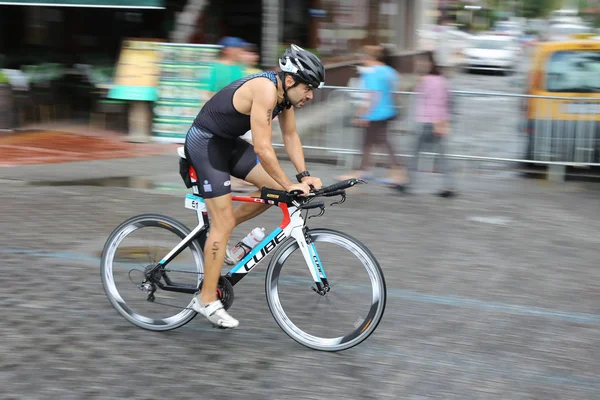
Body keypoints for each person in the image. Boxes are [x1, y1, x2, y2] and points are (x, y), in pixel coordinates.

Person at [184, 44, 326, 328]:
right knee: (224, 221)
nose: (310, 95)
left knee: (277, 193)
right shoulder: (265, 89)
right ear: (290, 80)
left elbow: (290, 135)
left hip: (228, 144)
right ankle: (206, 299)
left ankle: (219, 236)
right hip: (206, 143)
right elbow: (263, 147)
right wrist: (290, 182)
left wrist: (303, 175)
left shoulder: (285, 97)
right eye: (308, 88)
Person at [338, 45, 408, 190]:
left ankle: (396, 173)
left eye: (364, 57)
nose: (362, 60)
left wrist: (361, 114)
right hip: (388, 112)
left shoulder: (372, 73)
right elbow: (394, 93)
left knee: (378, 143)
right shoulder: (390, 71)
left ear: (371, 58)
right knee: (372, 143)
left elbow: (372, 96)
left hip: (376, 114)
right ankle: (366, 171)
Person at [408, 51, 456, 198]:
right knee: (441, 156)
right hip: (438, 122)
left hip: (426, 122)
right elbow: (446, 102)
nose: (418, 65)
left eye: (420, 62)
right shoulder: (442, 80)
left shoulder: (426, 80)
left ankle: (408, 184)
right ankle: (448, 186)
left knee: (414, 154)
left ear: (428, 63)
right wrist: (443, 121)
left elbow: (425, 98)